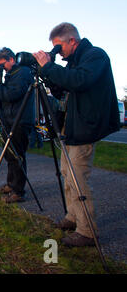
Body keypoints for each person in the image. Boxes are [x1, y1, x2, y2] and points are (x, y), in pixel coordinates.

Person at [33, 22, 120, 247]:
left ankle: (87, 231)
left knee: (77, 176)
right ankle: (73, 216)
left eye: (59, 46)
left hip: (85, 125)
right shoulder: (73, 62)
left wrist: (50, 67)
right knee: (66, 171)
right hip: (71, 124)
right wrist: (48, 73)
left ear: (72, 40)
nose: (58, 51)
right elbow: (64, 88)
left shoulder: (95, 56)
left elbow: (80, 81)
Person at [0, 47, 35, 203]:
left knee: (17, 156)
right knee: (10, 155)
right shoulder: (11, 74)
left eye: (3, 64)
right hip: (9, 119)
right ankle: (11, 185)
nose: (2, 68)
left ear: (12, 59)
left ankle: (18, 191)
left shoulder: (23, 72)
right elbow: (5, 92)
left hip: (20, 119)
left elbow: (12, 94)